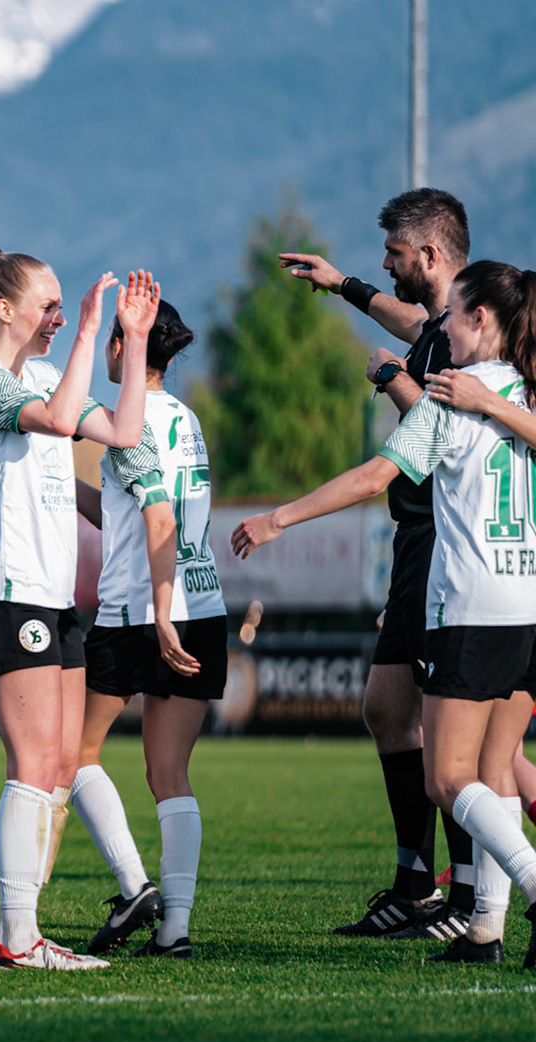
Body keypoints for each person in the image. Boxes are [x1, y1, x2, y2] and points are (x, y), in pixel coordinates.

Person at [235, 260, 536, 967]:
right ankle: (485, 930)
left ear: (482, 321)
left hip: (471, 603)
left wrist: (279, 518)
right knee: (493, 774)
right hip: (525, 600)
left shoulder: (450, 398)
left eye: (455, 316)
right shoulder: (521, 390)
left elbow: (377, 476)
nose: (444, 331)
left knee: (449, 778)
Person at [0, 249, 157, 971]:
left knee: (62, 762)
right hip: (6, 592)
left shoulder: (37, 375)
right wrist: (93, 333)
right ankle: (16, 934)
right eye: (51, 305)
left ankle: (23, 928)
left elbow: (122, 434)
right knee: (35, 762)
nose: (62, 317)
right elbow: (63, 422)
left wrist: (138, 335)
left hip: (52, 595)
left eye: (68, 306)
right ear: (4, 310)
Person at [278, 189, 476, 940]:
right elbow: (415, 329)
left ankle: (466, 899)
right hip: (415, 543)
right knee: (387, 711)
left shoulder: (468, 331)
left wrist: (394, 383)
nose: (385, 264)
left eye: (394, 254)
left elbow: (426, 449)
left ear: (429, 255)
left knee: (462, 745)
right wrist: (345, 287)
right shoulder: (438, 326)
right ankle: (414, 879)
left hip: (448, 544)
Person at [70, 300, 224, 959]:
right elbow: (129, 514)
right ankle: (175, 930)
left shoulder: (122, 422)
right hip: (204, 605)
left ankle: (134, 886)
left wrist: (159, 614)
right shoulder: (185, 417)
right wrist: (57, 491)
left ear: (120, 348)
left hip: (140, 611)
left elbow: (157, 525)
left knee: (67, 757)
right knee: (170, 775)